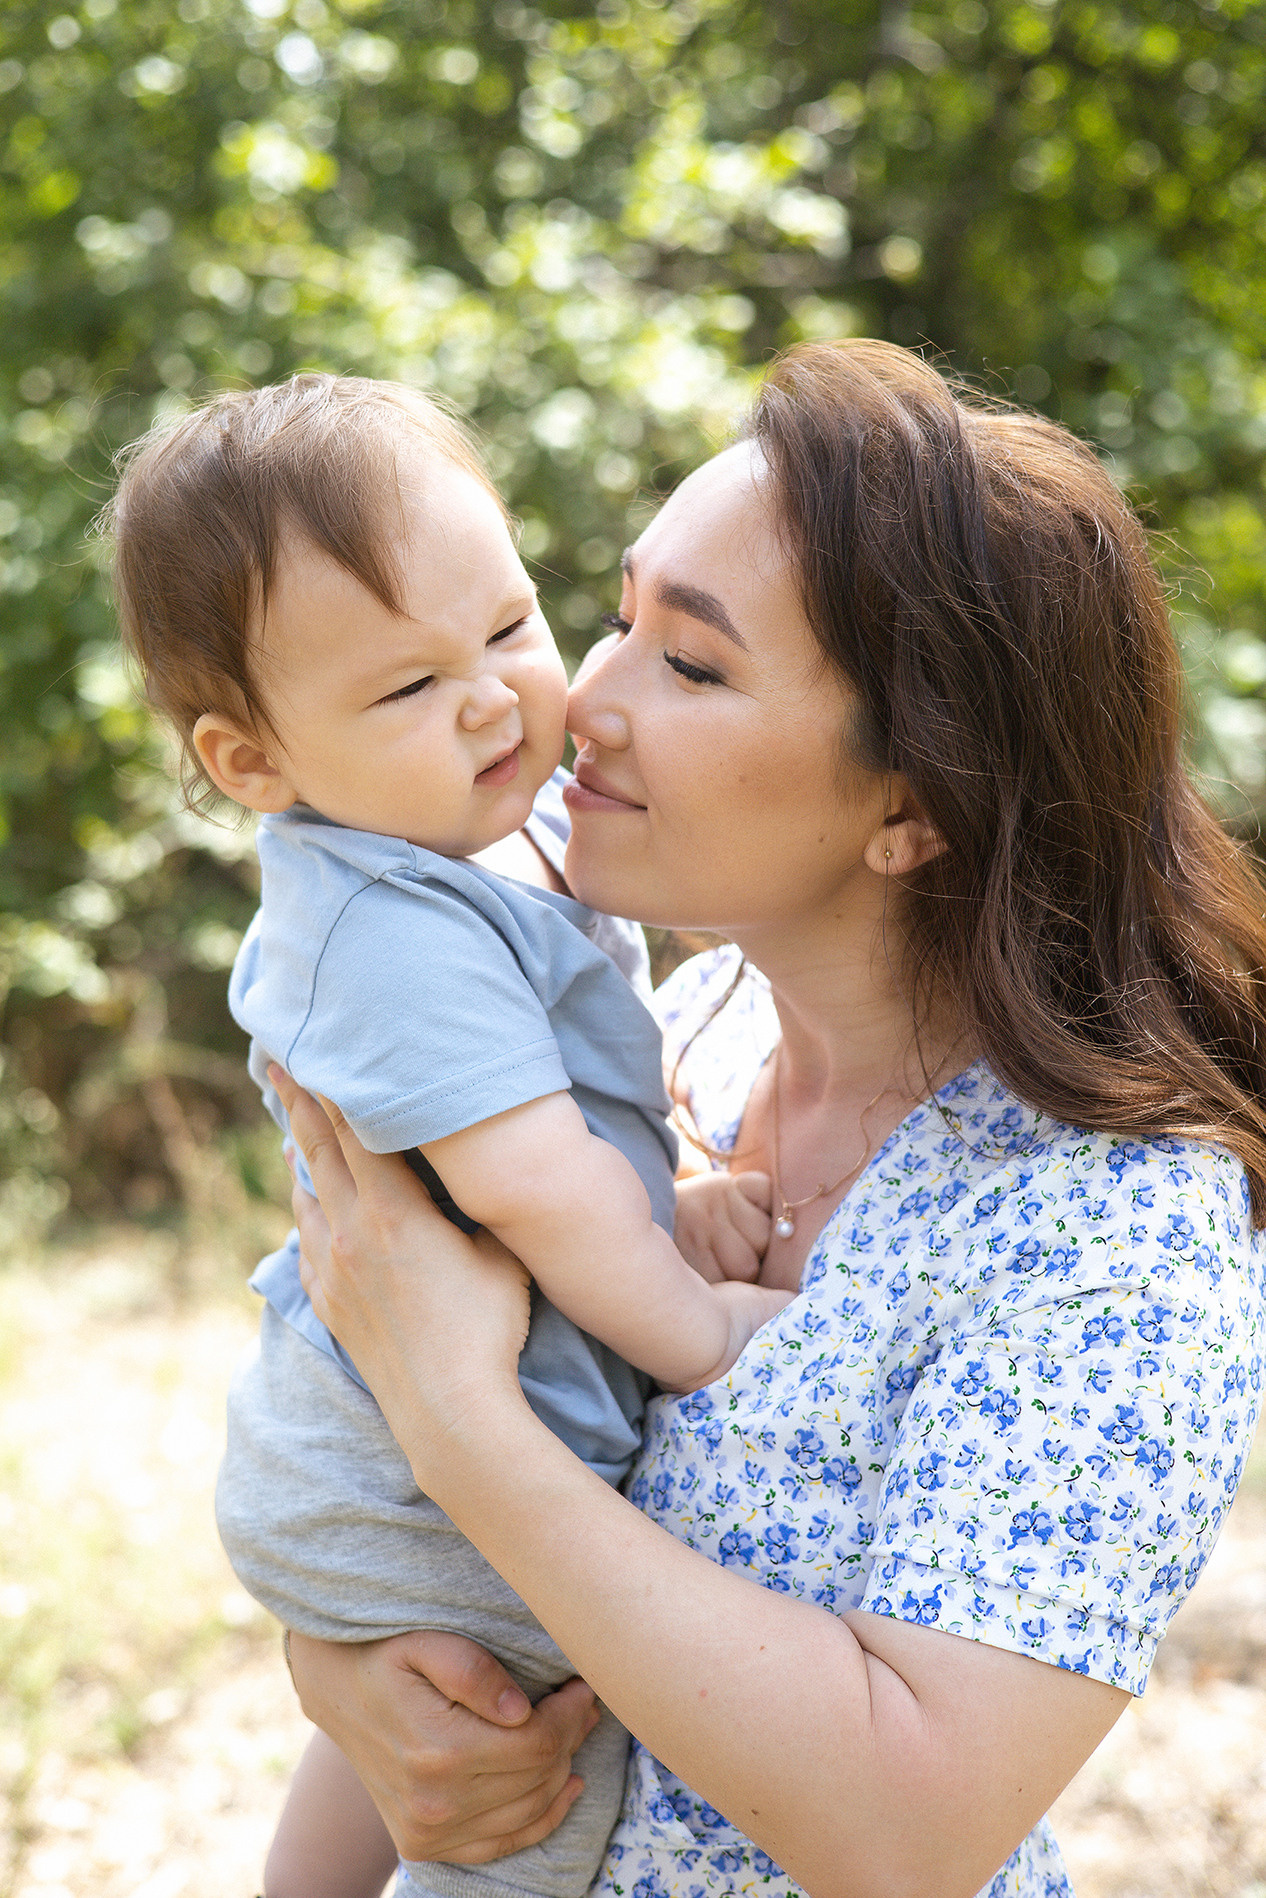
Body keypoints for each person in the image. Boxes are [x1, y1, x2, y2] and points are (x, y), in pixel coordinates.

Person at [272, 339, 1266, 1898]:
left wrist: (458, 1422)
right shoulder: (672, 1037)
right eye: (609, 619)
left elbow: (906, 1827)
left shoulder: (1112, 1231)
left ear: (911, 802)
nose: (580, 701)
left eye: (693, 662)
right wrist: (345, 1672)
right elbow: (467, 1575)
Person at [106, 374, 788, 1898]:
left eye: (504, 628)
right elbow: (529, 1184)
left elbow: (546, 1136)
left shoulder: (475, 859)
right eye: (406, 688)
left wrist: (671, 1189)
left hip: (393, 1449)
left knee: (411, 1751)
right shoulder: (383, 924)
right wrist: (690, 1316)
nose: (492, 696)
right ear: (253, 762)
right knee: (525, 1791)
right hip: (392, 1481)